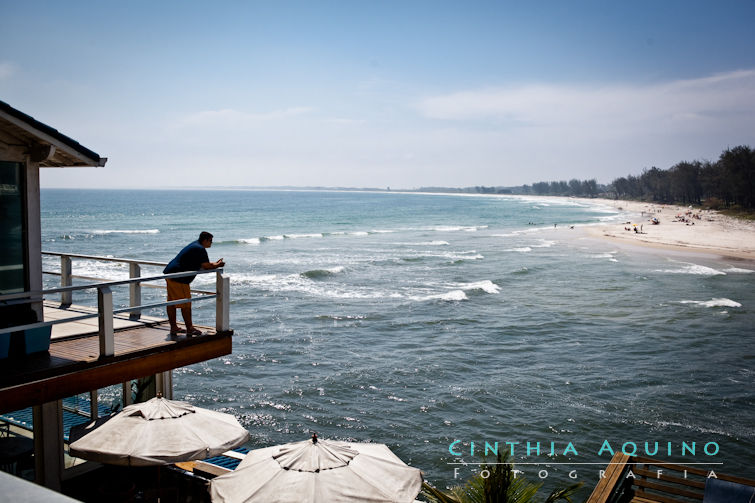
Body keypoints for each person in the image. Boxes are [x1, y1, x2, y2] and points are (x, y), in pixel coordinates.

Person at [163, 231, 225, 336]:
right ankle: (190, 328)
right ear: (205, 240)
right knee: (186, 304)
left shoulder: (195, 245)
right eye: (210, 241)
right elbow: (206, 265)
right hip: (179, 278)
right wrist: (218, 265)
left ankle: (174, 327)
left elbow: (204, 264)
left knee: (172, 303)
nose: (211, 243)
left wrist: (215, 264)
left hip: (170, 274)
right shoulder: (200, 249)